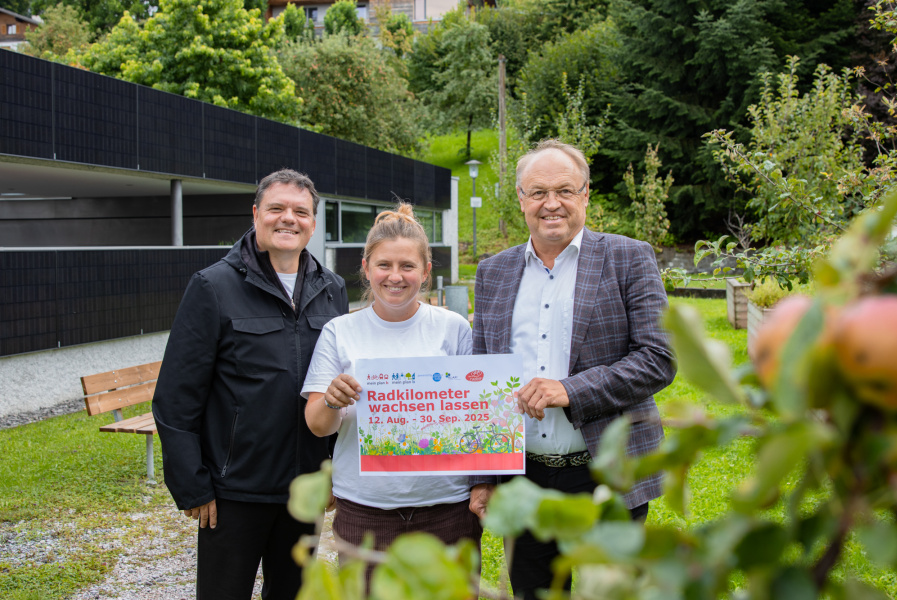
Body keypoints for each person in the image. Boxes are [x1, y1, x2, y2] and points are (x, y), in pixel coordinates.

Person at [468, 139, 676, 600]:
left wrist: (570, 389)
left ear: (585, 195)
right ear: (521, 200)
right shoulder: (494, 272)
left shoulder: (628, 257)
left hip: (606, 472)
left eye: (564, 189)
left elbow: (659, 356)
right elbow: (480, 376)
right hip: (524, 476)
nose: (551, 203)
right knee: (533, 593)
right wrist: (484, 475)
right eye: (538, 192)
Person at [152, 169, 349, 600]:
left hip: (304, 487)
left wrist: (334, 470)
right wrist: (193, 484)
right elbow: (175, 397)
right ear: (256, 213)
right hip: (233, 490)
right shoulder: (213, 286)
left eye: (300, 211)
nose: (288, 219)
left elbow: (337, 387)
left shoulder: (332, 289)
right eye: (276, 208)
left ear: (313, 223)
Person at [301, 203, 482, 584]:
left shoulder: (453, 328)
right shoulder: (339, 331)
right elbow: (318, 426)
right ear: (366, 268)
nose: (395, 277)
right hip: (367, 509)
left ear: (426, 271)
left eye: (408, 266)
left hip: (446, 507)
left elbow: (478, 418)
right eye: (384, 265)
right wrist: (332, 399)